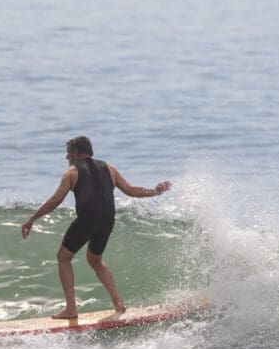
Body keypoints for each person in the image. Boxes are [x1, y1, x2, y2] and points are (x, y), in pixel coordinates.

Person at [21, 136, 172, 319]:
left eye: (68, 152)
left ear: (76, 152)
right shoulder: (109, 168)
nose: (66, 156)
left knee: (63, 258)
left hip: (87, 219)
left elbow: (55, 200)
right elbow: (131, 190)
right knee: (95, 260)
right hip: (107, 219)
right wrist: (155, 191)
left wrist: (32, 219)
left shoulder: (71, 173)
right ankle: (118, 302)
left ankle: (71, 309)